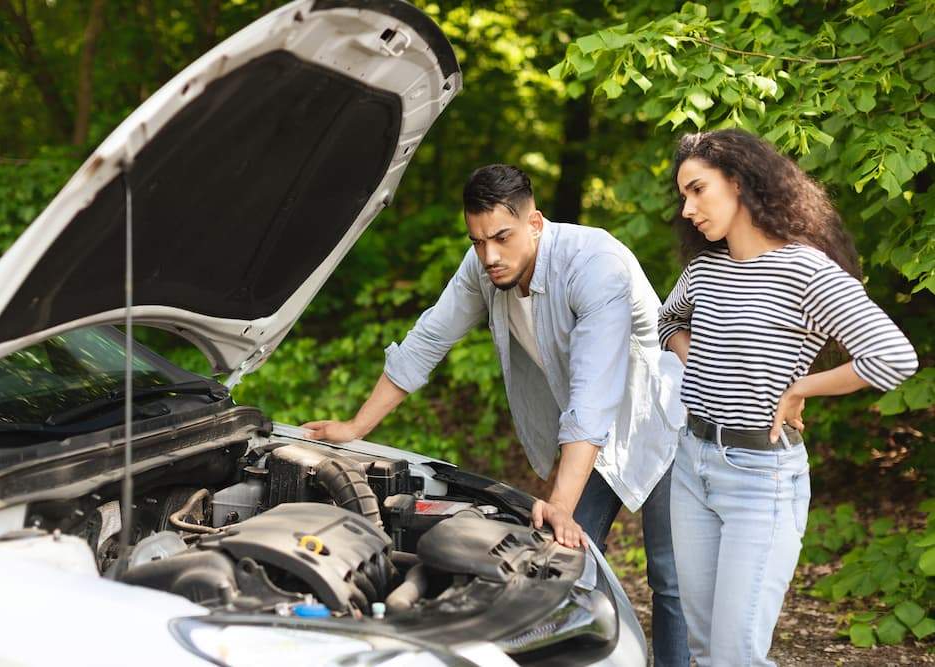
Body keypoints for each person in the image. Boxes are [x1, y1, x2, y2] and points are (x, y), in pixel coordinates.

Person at [303, 164, 690, 665]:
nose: (488, 255)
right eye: (477, 240)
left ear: (535, 223)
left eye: (501, 237)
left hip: (652, 420)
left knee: (668, 575)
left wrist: (562, 502)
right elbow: (427, 341)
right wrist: (356, 427)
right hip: (583, 434)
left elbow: (596, 395)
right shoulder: (483, 265)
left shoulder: (596, 266)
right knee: (556, 560)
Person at [658, 129, 918, 667]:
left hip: (760, 479)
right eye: (683, 195)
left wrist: (800, 387)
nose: (687, 209)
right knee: (706, 650)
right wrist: (701, 362)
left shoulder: (806, 270)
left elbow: (893, 357)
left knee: (735, 656)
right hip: (691, 465)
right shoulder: (704, 267)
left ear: (739, 182)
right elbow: (667, 320)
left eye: (697, 190)